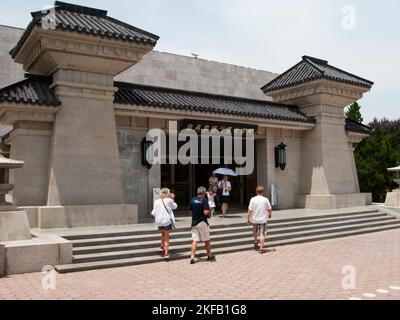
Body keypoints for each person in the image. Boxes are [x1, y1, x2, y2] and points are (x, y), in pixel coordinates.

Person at [189, 186, 216, 264]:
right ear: (204, 193)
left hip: (194, 223)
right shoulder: (204, 200)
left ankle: (192, 257)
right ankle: (209, 255)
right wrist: (210, 210)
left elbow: (190, 212)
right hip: (202, 222)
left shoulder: (193, 199)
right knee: (207, 240)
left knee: (195, 240)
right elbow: (205, 212)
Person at [151, 188, 178, 260]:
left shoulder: (156, 201)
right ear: (167, 194)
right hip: (166, 221)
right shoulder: (169, 200)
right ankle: (166, 253)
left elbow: (153, 213)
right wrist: (172, 199)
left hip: (159, 222)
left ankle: (161, 245)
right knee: (167, 237)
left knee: (163, 233)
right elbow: (175, 206)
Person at [246, 186, 272, 254]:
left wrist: (248, 218)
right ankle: (261, 248)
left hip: (255, 219)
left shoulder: (252, 199)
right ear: (263, 192)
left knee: (254, 231)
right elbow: (269, 209)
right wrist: (270, 215)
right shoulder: (265, 199)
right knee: (262, 234)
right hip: (263, 220)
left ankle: (255, 242)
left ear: (256, 191)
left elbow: (250, 210)